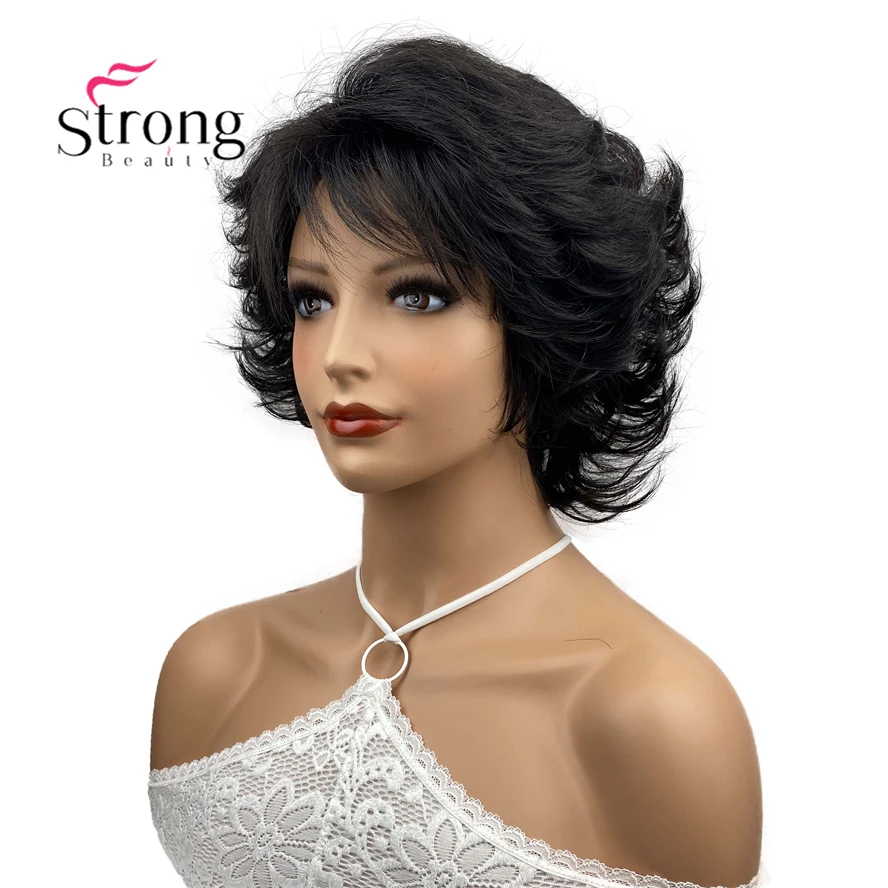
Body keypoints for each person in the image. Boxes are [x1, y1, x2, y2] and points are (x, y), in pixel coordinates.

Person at [147, 32, 764, 888]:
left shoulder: (651, 713)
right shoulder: (216, 669)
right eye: (312, 300)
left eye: (417, 295)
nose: (339, 354)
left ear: (544, 317)